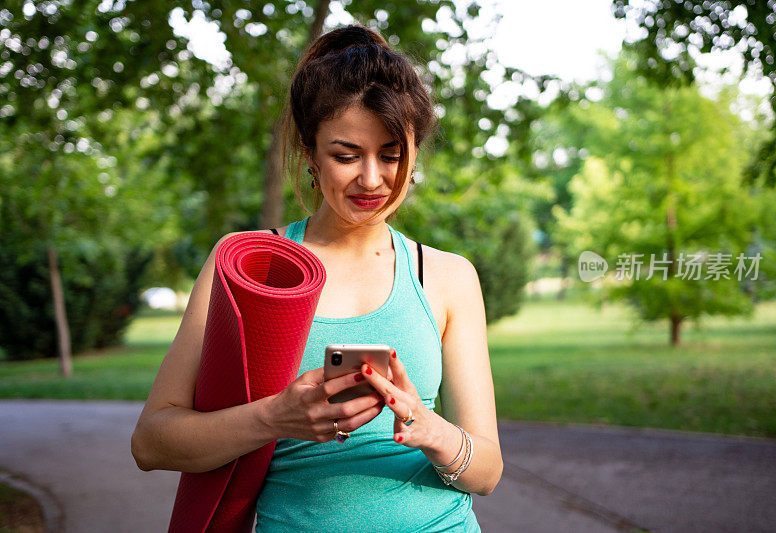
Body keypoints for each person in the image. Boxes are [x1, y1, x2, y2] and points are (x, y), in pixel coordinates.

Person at [131, 23, 502, 532]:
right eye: (346, 155)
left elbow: (486, 472)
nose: (372, 179)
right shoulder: (246, 263)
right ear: (309, 153)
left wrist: (425, 426)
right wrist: (273, 418)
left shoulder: (448, 277)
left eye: (391, 154)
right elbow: (151, 442)